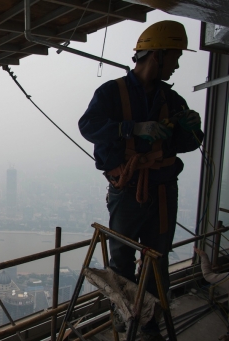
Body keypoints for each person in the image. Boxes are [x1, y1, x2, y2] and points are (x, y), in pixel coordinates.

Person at [78, 20, 204, 340]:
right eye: (174, 57)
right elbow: (89, 126)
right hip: (128, 188)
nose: (176, 65)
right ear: (157, 55)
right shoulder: (112, 93)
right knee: (122, 258)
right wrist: (132, 128)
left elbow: (186, 144)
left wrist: (192, 128)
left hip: (162, 189)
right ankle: (125, 314)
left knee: (156, 259)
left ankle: (148, 323)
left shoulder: (171, 100)